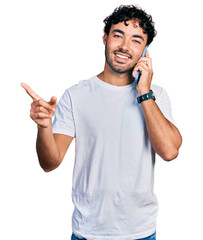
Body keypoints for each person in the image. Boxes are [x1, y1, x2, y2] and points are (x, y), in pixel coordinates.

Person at [21, 4, 182, 240]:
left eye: (136, 40)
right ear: (105, 38)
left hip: (141, 232)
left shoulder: (156, 95)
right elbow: (49, 163)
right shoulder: (76, 95)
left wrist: (144, 91)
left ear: (145, 51)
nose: (125, 46)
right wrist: (44, 127)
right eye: (118, 35)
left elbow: (169, 151)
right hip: (88, 232)